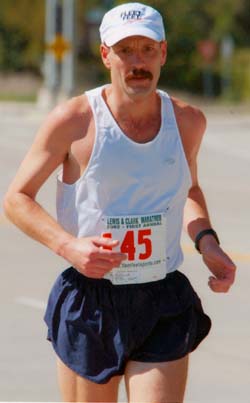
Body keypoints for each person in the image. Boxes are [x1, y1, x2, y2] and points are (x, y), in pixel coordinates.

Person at [4, 2, 236, 402]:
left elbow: (190, 190)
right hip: (92, 299)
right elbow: (16, 199)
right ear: (105, 55)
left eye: (147, 50)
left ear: (163, 53)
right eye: (125, 50)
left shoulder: (187, 122)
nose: (137, 62)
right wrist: (69, 246)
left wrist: (207, 241)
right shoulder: (74, 121)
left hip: (162, 293)